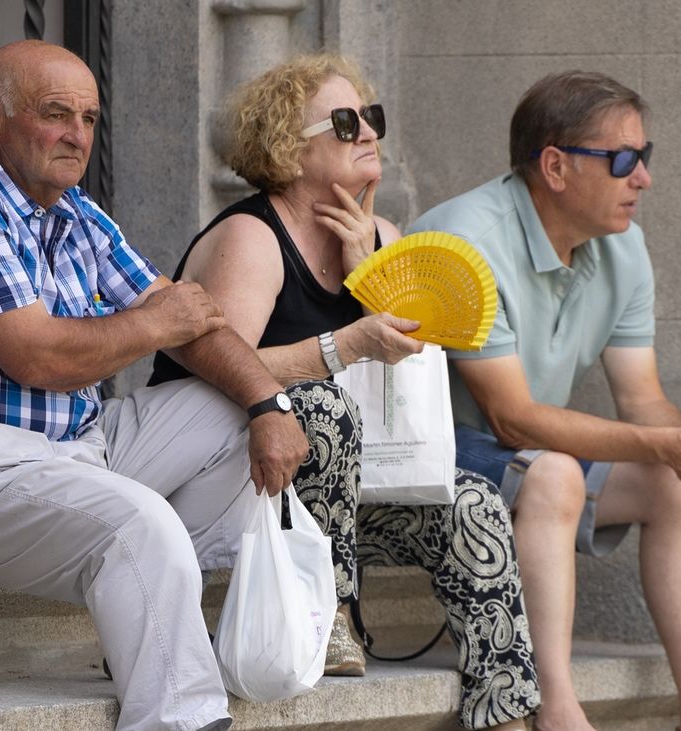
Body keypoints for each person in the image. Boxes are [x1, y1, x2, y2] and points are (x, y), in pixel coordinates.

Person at [0, 40, 310, 731]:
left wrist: (266, 402)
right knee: (140, 522)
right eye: (56, 114)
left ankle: (145, 627)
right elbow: (38, 358)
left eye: (90, 118)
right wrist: (155, 322)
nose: (78, 135)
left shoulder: (75, 212)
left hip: (77, 450)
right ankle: (181, 717)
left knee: (230, 413)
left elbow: (192, 321)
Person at [148, 54, 538, 731]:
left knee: (475, 503)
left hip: (352, 490)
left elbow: (408, 382)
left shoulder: (383, 237)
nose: (370, 133)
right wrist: (347, 342)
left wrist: (370, 280)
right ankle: (329, 614)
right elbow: (221, 368)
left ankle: (505, 713)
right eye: (346, 123)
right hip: (242, 486)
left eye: (371, 117)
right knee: (319, 407)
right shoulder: (251, 236)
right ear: (288, 148)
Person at [408, 71, 681, 731]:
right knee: (557, 472)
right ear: (556, 167)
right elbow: (511, 417)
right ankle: (557, 709)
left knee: (674, 483)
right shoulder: (465, 240)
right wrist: (667, 443)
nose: (643, 178)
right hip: (433, 456)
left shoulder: (624, 246)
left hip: (528, 455)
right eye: (624, 160)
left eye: (644, 156)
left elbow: (643, 400)